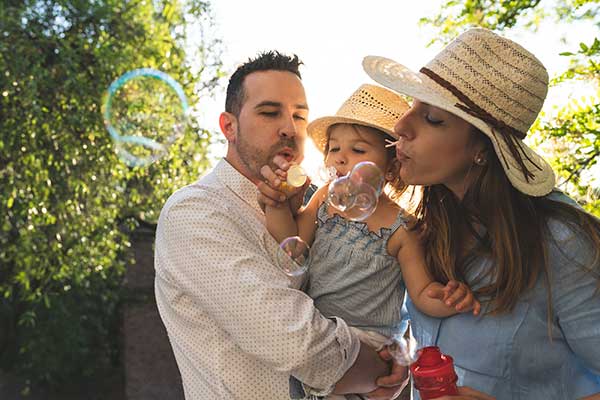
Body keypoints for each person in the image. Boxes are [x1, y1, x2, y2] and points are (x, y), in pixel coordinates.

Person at [361, 28, 600, 399]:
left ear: (483, 150)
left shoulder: (563, 243)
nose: (400, 126)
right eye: (412, 107)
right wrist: (400, 356)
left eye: (433, 119)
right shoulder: (428, 230)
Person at [154, 51, 408, 400]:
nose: (290, 128)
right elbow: (294, 339)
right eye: (270, 112)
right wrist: (383, 371)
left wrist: (396, 348)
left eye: (300, 116)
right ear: (229, 126)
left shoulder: (323, 210)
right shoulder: (195, 211)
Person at [259, 84, 480, 348]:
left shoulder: (402, 228)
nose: (340, 158)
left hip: (370, 342)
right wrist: (278, 204)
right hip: (319, 327)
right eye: (334, 148)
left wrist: (449, 300)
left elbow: (421, 292)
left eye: (358, 151)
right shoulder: (325, 199)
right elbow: (291, 244)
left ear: (392, 167)